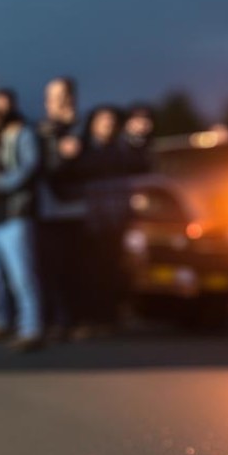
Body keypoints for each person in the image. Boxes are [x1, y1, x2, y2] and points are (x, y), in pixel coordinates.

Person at [0, 88, 44, 352]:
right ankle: (1, 321)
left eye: (2, 105)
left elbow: (29, 167)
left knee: (22, 275)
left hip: (14, 214)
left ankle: (30, 328)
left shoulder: (23, 133)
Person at [76, 105, 148, 334]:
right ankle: (93, 316)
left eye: (111, 121)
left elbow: (141, 167)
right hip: (91, 220)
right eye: (103, 120)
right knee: (92, 270)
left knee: (116, 269)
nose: (108, 125)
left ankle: (111, 317)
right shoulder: (84, 150)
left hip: (117, 219)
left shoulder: (122, 150)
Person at [35, 77, 86, 339]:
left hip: (77, 210)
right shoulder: (42, 131)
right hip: (48, 211)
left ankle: (74, 320)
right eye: (52, 96)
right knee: (51, 269)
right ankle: (57, 320)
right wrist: (63, 154)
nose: (58, 102)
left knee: (76, 268)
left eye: (63, 95)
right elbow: (48, 168)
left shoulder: (82, 128)